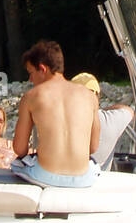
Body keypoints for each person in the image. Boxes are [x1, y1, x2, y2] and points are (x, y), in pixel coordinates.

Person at [11, 40, 101, 187]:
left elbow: (19, 149)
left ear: (42, 68)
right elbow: (92, 147)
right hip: (83, 179)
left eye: (31, 73)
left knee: (17, 164)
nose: (30, 79)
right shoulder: (89, 96)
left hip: (46, 176)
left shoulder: (31, 96)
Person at [71, 72, 135, 167]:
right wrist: (101, 111)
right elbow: (129, 110)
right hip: (101, 178)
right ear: (98, 97)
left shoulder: (62, 122)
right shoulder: (110, 120)